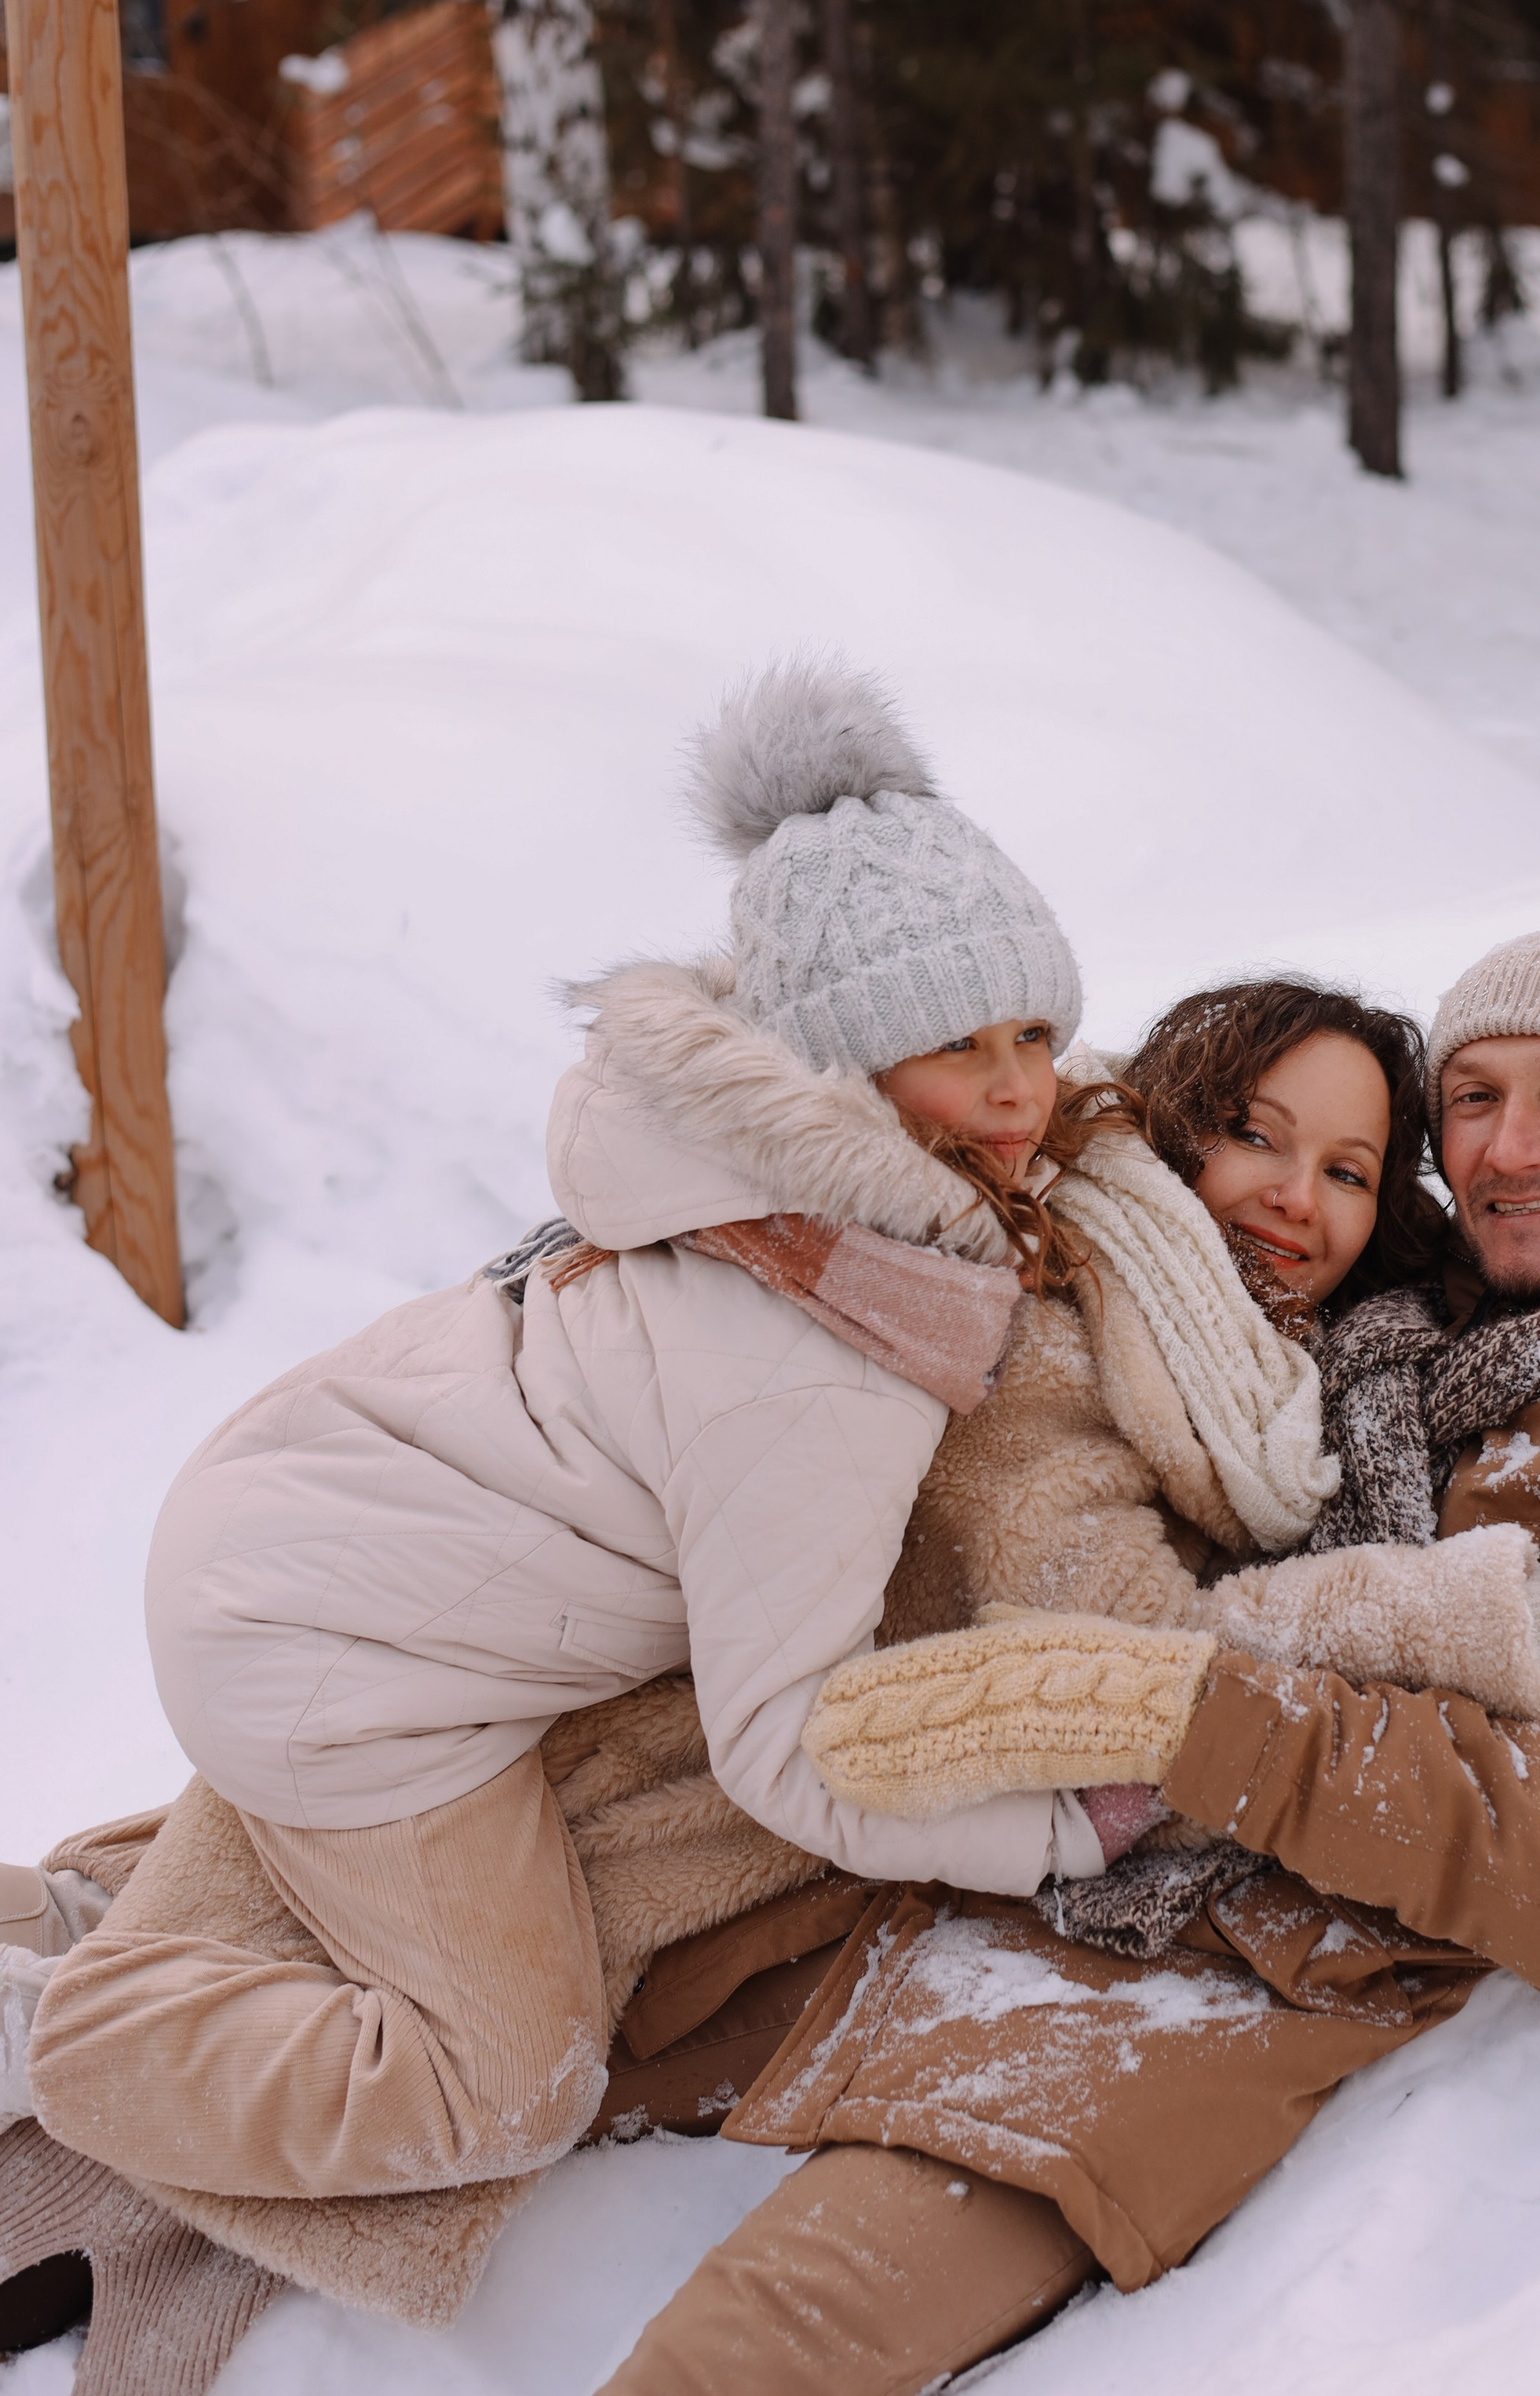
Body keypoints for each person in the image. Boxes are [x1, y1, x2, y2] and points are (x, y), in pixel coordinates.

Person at [413, 919, 1540, 2396]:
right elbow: (1162, 1166)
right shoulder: (1410, 1313)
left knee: (735, 2381)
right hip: (1021, 1839)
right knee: (460, 2022)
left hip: (1210, 1971)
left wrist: (1205, 1718)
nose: (1503, 1146)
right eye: (1472, 1097)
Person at [3, 663, 1112, 2204]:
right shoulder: (814, 1357)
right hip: (327, 1650)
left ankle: (52, 1920)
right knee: (499, 2088)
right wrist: (1068, 1826)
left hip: (321, 1525)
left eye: (1032, 1032)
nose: (1017, 1092)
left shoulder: (765, 1192)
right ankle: (56, 2034)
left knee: (382, 1883)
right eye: (953, 1048)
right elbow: (793, 1751)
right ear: (837, 1070)